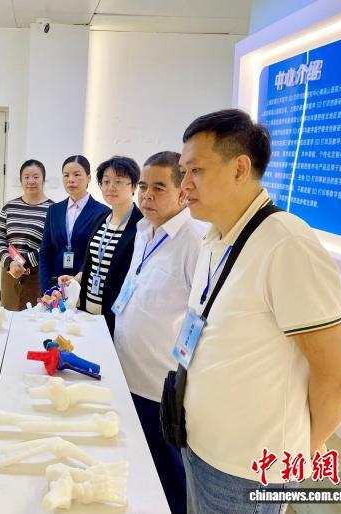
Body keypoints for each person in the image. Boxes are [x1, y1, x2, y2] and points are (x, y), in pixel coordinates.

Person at [178, 109, 341, 513]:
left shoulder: (286, 244)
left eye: (196, 170)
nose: (184, 183)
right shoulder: (215, 237)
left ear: (240, 168)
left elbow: (339, 377)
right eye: (183, 170)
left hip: (246, 472)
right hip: (200, 447)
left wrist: (302, 450)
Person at [112, 151, 205, 514]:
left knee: (168, 479)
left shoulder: (195, 243)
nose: (146, 195)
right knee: (135, 466)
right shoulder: (143, 230)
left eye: (159, 188)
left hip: (158, 385)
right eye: (143, 186)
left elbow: (202, 319)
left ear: (182, 192)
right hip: (127, 370)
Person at [60, 156, 143, 336]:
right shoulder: (102, 219)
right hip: (88, 311)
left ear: (134, 186)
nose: (110, 187)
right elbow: (92, 262)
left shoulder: (141, 225)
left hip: (117, 315)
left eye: (118, 181)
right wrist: (77, 279)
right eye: (106, 182)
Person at [38, 155, 109, 294]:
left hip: (86, 287)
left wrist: (80, 279)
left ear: (88, 178)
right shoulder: (54, 210)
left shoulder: (103, 212)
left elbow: (99, 254)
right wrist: (46, 289)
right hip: (56, 286)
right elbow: (45, 251)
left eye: (77, 174)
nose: (70, 179)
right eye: (66, 175)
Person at [0, 159, 53, 310]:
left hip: (37, 275)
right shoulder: (10, 206)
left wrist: (24, 263)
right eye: (26, 177)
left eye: (36, 177)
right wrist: (10, 263)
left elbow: (52, 244)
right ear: (21, 180)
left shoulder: (53, 209)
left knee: (33, 317)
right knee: (8, 315)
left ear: (43, 179)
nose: (31, 181)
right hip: (10, 272)